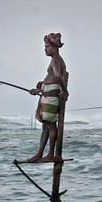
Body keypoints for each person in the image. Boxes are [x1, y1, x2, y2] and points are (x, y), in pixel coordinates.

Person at [25, 33, 68, 163]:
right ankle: (39, 153)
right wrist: (39, 89)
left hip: (51, 97)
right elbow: (52, 79)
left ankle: (50, 154)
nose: (45, 49)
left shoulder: (56, 60)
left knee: (51, 125)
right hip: (47, 95)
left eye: (47, 46)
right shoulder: (54, 60)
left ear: (54, 47)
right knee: (46, 126)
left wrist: (65, 91)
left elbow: (58, 77)